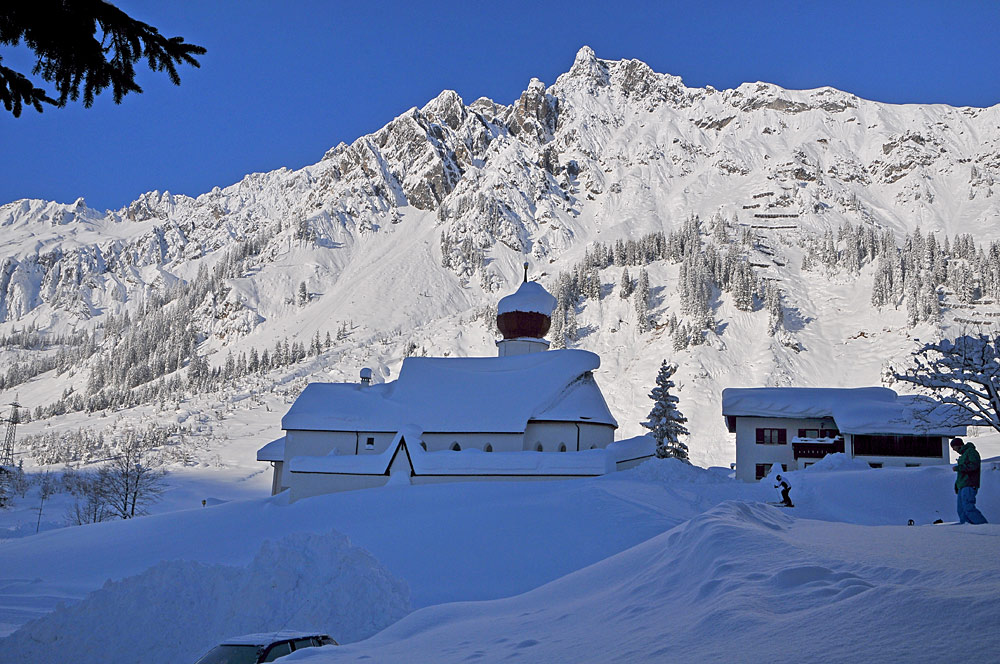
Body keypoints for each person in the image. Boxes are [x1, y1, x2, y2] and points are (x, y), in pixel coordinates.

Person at [951, 438, 988, 524]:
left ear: (959, 445)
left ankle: (983, 526)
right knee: (961, 510)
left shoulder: (971, 452)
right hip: (962, 485)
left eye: (953, 447)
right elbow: (961, 474)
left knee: (968, 508)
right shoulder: (963, 455)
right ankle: (967, 527)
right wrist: (957, 485)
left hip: (969, 484)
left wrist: (959, 468)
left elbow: (974, 465)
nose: (953, 449)